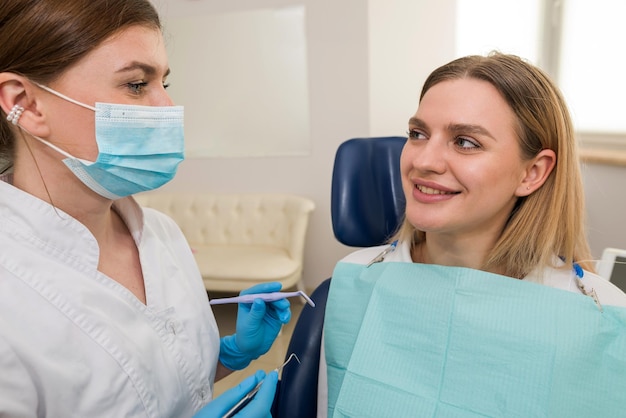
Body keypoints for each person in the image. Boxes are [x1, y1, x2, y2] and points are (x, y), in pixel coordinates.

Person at [0, 1, 290, 417]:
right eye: (137, 85)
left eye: (164, 83)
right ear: (26, 103)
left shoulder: (161, 233)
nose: (169, 108)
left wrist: (229, 355)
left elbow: (154, 391)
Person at [318, 53, 626, 417]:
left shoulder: (601, 318)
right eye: (418, 134)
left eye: (465, 142)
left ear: (532, 173)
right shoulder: (355, 282)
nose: (423, 161)